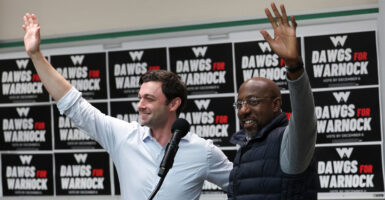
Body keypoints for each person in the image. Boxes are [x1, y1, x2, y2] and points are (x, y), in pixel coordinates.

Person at [22, 14, 232, 200]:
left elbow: (247, 185)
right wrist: (36, 56)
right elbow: (75, 106)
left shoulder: (203, 151)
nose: (140, 105)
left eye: (149, 98)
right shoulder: (124, 137)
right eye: (139, 98)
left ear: (174, 103)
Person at [228, 3, 319, 200]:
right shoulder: (247, 147)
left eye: (252, 101)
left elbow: (304, 118)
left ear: (276, 104)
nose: (243, 110)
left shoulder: (288, 143)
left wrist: (294, 66)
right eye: (239, 104)